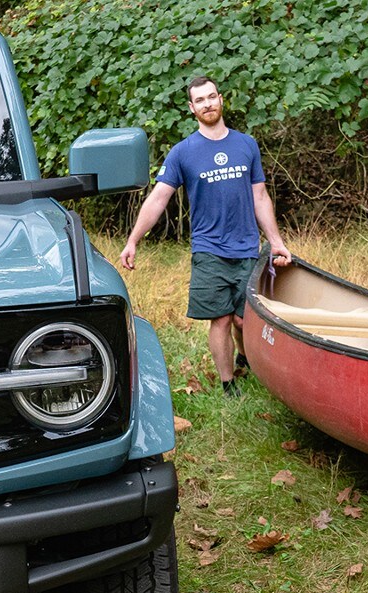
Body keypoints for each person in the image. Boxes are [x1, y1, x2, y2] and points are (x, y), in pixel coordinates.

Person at [120, 76, 292, 396]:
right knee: (222, 319)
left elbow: (260, 197)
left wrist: (276, 241)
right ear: (191, 108)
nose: (208, 104)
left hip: (247, 247)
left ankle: (245, 356)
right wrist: (133, 240)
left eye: (211, 97)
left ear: (221, 99)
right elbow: (158, 198)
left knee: (245, 321)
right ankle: (229, 384)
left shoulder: (246, 144)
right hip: (208, 249)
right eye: (200, 100)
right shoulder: (183, 153)